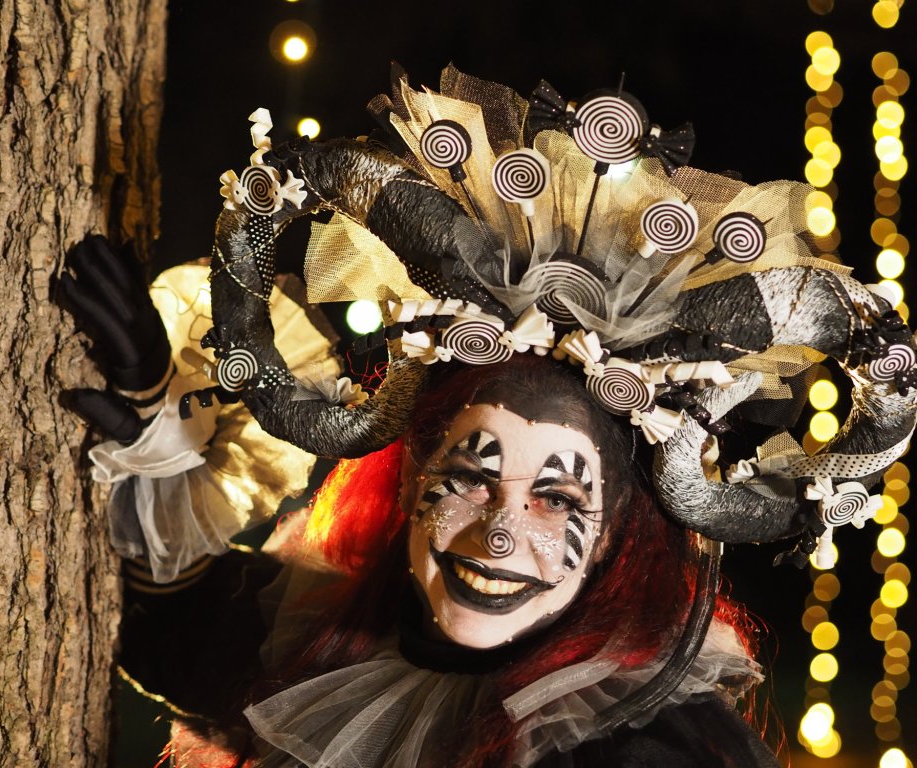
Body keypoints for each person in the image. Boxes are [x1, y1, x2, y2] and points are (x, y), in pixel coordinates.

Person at [63, 68, 917, 767]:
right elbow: (165, 626)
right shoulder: (322, 645)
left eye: (558, 499)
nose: (500, 534)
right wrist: (158, 417)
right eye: (470, 477)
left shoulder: (654, 753)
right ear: (409, 481)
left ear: (618, 536)